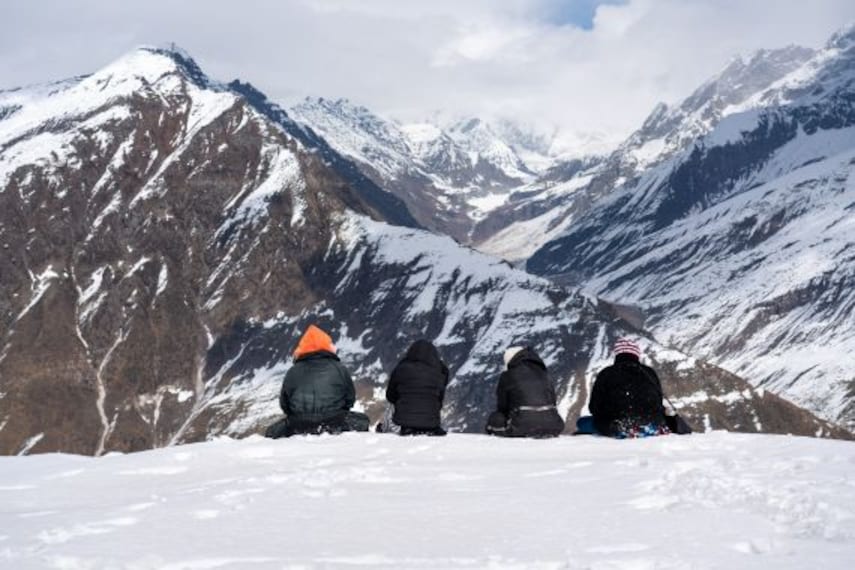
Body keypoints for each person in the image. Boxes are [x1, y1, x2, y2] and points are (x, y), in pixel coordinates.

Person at [265, 324, 369, 438]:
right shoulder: (339, 368)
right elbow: (350, 398)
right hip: (335, 420)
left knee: (271, 432)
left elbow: (284, 404)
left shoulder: (292, 371)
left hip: (299, 424)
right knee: (363, 421)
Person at [577, 338, 671, 438]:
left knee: (582, 423)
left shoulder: (606, 373)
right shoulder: (650, 373)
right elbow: (659, 401)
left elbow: (594, 407)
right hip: (654, 424)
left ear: (617, 355)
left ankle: (628, 429)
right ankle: (643, 428)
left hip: (617, 426)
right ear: (637, 355)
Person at [485, 346, 565, 438]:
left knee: (495, 418)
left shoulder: (508, 375)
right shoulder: (545, 373)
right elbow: (553, 401)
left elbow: (503, 406)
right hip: (553, 425)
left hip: (522, 426)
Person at [380, 340, 449, 436]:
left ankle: (386, 427)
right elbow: (440, 398)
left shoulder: (401, 368)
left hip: (404, 423)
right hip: (432, 423)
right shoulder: (441, 370)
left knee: (390, 405)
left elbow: (390, 396)